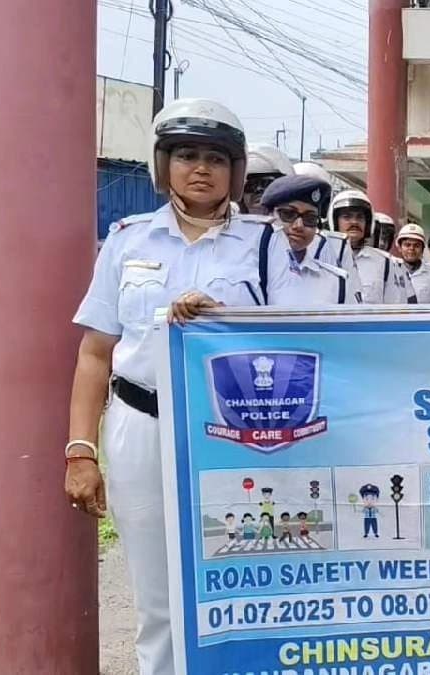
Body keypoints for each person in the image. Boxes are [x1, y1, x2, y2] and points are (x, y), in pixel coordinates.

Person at [64, 98, 273, 675]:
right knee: (157, 595)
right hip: (141, 425)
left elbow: (295, 343)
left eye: (214, 157)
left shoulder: (265, 244)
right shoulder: (128, 241)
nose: (200, 168)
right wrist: (80, 451)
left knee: (240, 582)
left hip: (237, 433)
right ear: (163, 165)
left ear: (235, 171)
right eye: (185, 155)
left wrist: (224, 318)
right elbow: (95, 353)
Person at [260, 174, 357, 306]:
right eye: (288, 214)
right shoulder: (247, 273)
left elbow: (351, 324)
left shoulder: (335, 282)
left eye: (309, 219)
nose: (299, 225)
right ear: (268, 216)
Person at [330, 189, 417, 304]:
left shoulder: (384, 262)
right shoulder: (322, 256)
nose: (354, 222)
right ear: (335, 221)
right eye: (347, 217)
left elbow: (395, 307)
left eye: (360, 217)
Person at [240, 143, 295, 215]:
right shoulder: (230, 224)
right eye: (251, 185)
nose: (258, 189)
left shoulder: (297, 224)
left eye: (266, 183)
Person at [397, 223, 430, 303]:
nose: (411, 249)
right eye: (407, 245)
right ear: (400, 248)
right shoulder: (391, 272)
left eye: (416, 245)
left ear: (422, 249)